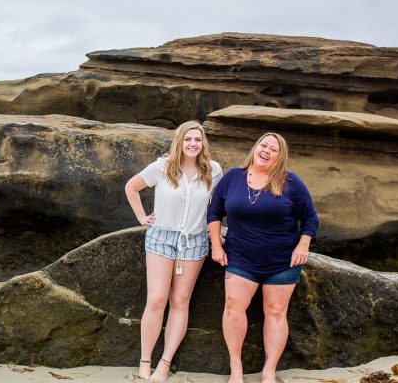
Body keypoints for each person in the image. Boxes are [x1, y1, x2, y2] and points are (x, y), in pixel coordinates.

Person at [207, 132, 319, 383]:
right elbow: (214, 211)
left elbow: (310, 218)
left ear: (280, 156)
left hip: (282, 261)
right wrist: (216, 245)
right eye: (263, 145)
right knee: (234, 307)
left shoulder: (291, 182)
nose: (267, 150)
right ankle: (236, 369)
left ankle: (269, 371)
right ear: (255, 148)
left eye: (274, 149)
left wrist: (303, 244)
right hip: (241, 258)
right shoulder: (233, 177)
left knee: (276, 312)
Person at [125, 120, 223, 382]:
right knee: (156, 300)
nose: (193, 144)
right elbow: (131, 187)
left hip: (195, 241)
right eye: (188, 139)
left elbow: (215, 208)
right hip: (161, 238)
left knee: (180, 301)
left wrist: (218, 239)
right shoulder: (162, 166)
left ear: (203, 144)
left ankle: (165, 364)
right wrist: (142, 217)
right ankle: (145, 361)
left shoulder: (212, 171)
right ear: (179, 141)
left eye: (198, 140)